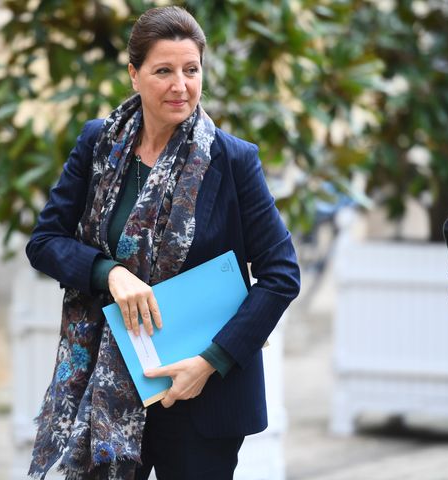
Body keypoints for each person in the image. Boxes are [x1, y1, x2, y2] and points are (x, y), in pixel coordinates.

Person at [26, 6, 300, 480]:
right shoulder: (99, 144)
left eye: (191, 70)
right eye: (163, 71)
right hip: (106, 391)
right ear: (134, 75)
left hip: (200, 393)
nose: (181, 86)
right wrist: (108, 273)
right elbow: (45, 241)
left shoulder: (232, 160)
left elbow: (281, 275)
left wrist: (210, 362)